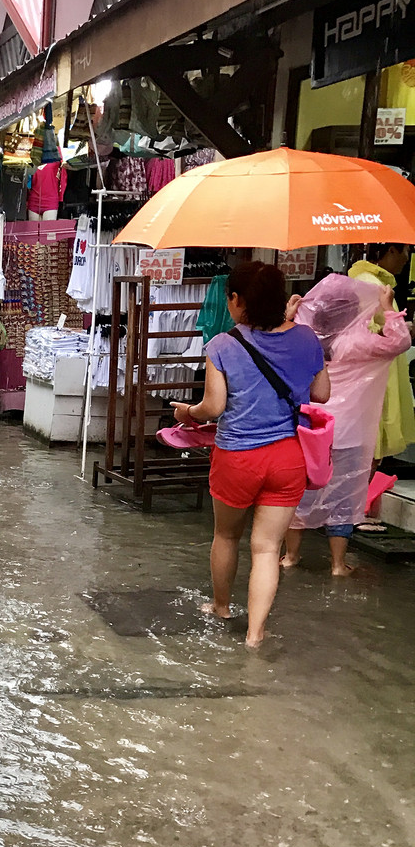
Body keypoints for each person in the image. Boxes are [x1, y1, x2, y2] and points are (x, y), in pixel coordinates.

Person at [172, 261, 330, 648]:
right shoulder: (308, 338)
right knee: (266, 549)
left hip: (237, 458)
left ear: (238, 301)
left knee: (226, 536)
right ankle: (255, 636)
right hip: (286, 458)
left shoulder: (223, 345)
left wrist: (186, 413)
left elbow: (213, 407)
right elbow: (321, 395)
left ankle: (221, 607)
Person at [282, 274, 409, 575]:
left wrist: (288, 316)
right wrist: (387, 307)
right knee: (343, 494)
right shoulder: (360, 342)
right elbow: (400, 342)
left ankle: (290, 556)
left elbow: (277, 343)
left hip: (311, 429)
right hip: (349, 431)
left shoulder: (301, 334)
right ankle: (338, 564)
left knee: (299, 492)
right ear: (355, 312)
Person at [348, 243, 415, 459]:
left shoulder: (375, 282)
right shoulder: (369, 284)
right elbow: (363, 332)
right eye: (405, 250)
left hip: (378, 378)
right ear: (391, 251)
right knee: (370, 453)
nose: (407, 257)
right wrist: (397, 330)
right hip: (375, 380)